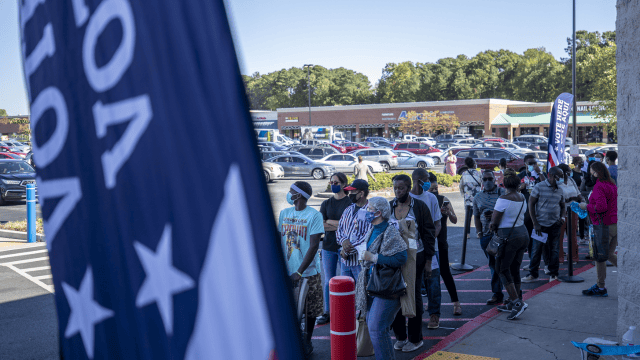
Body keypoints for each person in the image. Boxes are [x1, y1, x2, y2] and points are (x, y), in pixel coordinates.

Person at [354, 197, 408, 360]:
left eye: (369, 208)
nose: (365, 210)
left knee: (377, 329)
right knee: (375, 329)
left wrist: (374, 258)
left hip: (386, 288)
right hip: (372, 285)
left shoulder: (389, 231)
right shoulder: (372, 228)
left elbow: (401, 258)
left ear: (379, 212)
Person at [388, 174, 437, 353]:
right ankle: (400, 336)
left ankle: (416, 339)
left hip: (416, 257)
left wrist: (429, 261)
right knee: (394, 296)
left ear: (409, 188)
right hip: (393, 259)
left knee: (412, 297)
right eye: (395, 188)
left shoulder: (419, 207)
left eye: (401, 188)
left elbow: (429, 234)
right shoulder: (390, 206)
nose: (397, 191)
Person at [278, 181, 324, 356]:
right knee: (289, 309)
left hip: (307, 272)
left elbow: (313, 246)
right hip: (288, 270)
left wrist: (299, 271)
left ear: (298, 195)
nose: (289, 193)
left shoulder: (314, 216)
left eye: (291, 191)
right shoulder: (284, 213)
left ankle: (307, 340)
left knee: (310, 309)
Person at [490, 168, 530, 320]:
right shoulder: (521, 197)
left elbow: (494, 222)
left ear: (505, 184)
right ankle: (515, 301)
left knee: (501, 268)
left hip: (508, 237)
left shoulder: (503, 199)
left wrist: (490, 226)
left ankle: (516, 302)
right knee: (514, 269)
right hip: (522, 234)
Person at [317, 173, 352, 325]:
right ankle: (328, 312)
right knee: (329, 281)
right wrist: (338, 224)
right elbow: (320, 224)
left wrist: (330, 223)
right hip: (328, 246)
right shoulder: (326, 203)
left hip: (345, 247)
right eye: (331, 182)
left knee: (345, 279)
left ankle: (345, 311)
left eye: (336, 182)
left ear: (344, 184)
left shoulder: (350, 202)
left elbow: (350, 225)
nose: (333, 184)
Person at [522, 167, 566, 283]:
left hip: (555, 225)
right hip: (540, 226)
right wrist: (535, 223)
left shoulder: (560, 190)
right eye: (559, 176)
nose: (561, 179)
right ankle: (533, 274)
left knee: (554, 250)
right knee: (536, 249)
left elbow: (563, 205)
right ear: (551, 175)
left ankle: (553, 274)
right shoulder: (539, 187)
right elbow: (531, 204)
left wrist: (562, 217)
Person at [580, 162, 617, 296]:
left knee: (600, 257)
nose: (590, 174)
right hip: (614, 225)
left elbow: (601, 207)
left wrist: (586, 206)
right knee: (609, 254)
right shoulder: (611, 184)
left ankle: (601, 287)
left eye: (591, 172)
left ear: (596, 173)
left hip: (603, 226)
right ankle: (630, 273)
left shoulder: (599, 186)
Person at [428, 179, 461, 316]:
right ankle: (431, 304)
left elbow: (455, 220)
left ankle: (456, 303)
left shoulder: (443, 200)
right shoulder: (422, 202)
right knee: (428, 275)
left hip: (441, 242)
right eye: (431, 189)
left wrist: (448, 212)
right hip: (428, 244)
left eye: (436, 188)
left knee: (445, 272)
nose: (435, 191)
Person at [473, 170, 506, 304]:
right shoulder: (478, 197)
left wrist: (494, 214)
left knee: (504, 265)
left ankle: (514, 294)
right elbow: (476, 216)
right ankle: (497, 294)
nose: (487, 181)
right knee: (493, 265)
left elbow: (510, 212)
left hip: (502, 235)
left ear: (495, 180)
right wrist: (479, 233)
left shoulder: (503, 194)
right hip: (486, 236)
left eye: (490, 179)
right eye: (485, 179)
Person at [336, 179, 372, 281]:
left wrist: (346, 251)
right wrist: (343, 241)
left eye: (352, 192)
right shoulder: (348, 209)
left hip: (359, 262)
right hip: (345, 262)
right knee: (347, 291)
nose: (350, 194)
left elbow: (367, 236)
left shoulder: (370, 211)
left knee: (361, 292)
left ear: (361, 193)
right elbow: (339, 229)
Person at [518, 154, 547, 264]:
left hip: (541, 211)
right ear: (525, 164)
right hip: (526, 213)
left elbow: (546, 186)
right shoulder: (521, 175)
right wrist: (520, 188)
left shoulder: (541, 174)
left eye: (535, 163)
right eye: (530, 163)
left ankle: (545, 263)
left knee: (541, 238)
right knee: (529, 239)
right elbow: (513, 190)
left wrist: (539, 172)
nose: (533, 165)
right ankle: (532, 262)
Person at [557, 163, 584, 264]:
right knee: (559, 235)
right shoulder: (556, 183)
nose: (570, 172)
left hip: (573, 210)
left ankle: (573, 257)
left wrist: (581, 199)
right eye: (568, 170)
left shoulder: (571, 180)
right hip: (560, 212)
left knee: (572, 235)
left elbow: (578, 194)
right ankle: (560, 258)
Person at [460, 157, 482, 238]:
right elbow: (482, 184)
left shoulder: (464, 173)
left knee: (468, 217)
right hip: (478, 199)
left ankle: (467, 234)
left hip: (468, 199)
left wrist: (464, 195)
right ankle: (478, 233)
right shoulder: (478, 173)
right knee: (478, 216)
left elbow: (461, 186)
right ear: (474, 164)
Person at [571, 156, 588, 244]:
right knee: (573, 219)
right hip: (574, 198)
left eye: (582, 161)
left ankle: (582, 237)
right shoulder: (572, 173)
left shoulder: (584, 173)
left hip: (582, 198)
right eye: (580, 161)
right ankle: (572, 238)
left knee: (582, 218)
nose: (582, 163)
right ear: (576, 163)